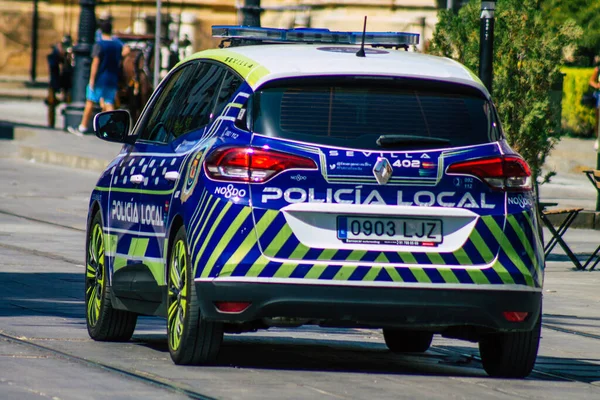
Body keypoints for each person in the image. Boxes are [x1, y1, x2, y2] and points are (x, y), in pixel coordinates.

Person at [68, 19, 123, 135]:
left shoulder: (100, 45)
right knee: (109, 103)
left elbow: (95, 63)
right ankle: (111, 129)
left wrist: (91, 80)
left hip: (100, 79)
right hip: (112, 78)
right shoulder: (117, 45)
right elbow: (124, 53)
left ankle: (82, 127)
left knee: (90, 102)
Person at [589, 56, 600, 150]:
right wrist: (597, 85)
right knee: (598, 119)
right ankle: (598, 138)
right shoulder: (598, 69)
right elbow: (591, 81)